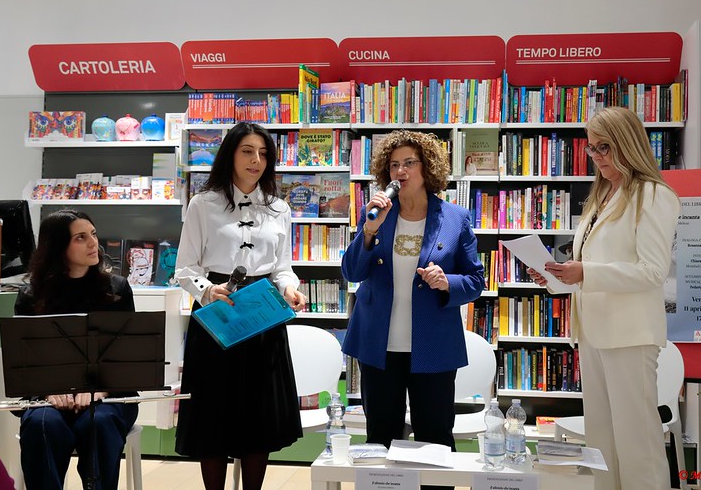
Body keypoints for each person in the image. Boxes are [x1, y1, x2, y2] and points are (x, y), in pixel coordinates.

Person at [529, 107, 679, 490]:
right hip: (593, 333)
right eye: (591, 148)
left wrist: (586, 273)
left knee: (637, 442)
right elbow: (591, 268)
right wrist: (556, 279)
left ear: (628, 144)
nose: (596, 156)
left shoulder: (652, 195)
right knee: (601, 439)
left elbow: (653, 271)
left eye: (604, 147)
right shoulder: (601, 196)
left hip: (629, 335)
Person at [342, 130, 485, 488]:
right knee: (381, 438)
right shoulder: (376, 214)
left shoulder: (455, 218)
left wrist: (447, 282)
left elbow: (475, 282)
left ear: (427, 167)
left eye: (409, 163)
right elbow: (352, 272)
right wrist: (369, 232)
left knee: (435, 438)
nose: (400, 171)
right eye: (394, 165)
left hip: (433, 347)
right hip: (379, 346)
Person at [175, 122, 307, 490]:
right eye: (248, 151)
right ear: (230, 155)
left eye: (263, 153)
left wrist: (290, 288)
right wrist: (207, 291)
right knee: (213, 414)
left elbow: (282, 268)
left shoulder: (279, 208)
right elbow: (185, 268)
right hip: (217, 314)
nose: (256, 160)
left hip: (263, 316)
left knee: (259, 417)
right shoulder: (203, 203)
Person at [13, 209, 137, 490]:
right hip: (49, 398)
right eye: (80, 237)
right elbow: (26, 362)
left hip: (108, 397)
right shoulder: (31, 295)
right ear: (58, 246)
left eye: (93, 234)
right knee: (42, 424)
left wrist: (101, 389)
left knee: (98, 424)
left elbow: (126, 357)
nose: (93, 243)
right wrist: (47, 390)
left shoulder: (117, 289)